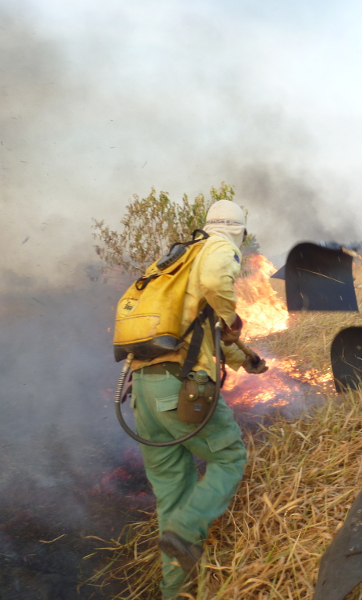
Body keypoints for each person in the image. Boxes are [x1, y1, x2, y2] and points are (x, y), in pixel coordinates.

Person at [129, 199, 268, 599]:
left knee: (171, 491)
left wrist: (249, 362)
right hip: (181, 388)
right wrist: (233, 317)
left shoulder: (174, 263)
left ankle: (174, 590)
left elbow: (214, 338)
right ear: (237, 230)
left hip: (144, 389)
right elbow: (217, 291)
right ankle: (188, 530)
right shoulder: (218, 247)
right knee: (228, 457)